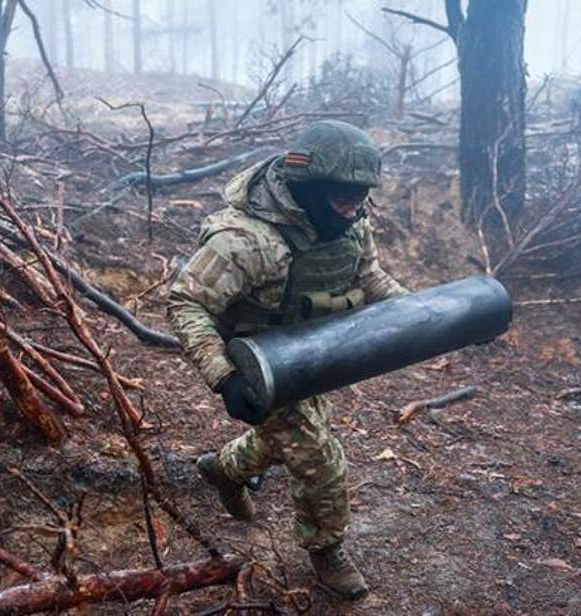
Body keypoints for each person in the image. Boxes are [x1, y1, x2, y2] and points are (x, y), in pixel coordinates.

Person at [167, 120, 407, 600]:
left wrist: (441, 316)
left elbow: (372, 280)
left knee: (287, 443)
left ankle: (224, 470)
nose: (354, 207)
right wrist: (225, 377)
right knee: (319, 458)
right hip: (258, 365)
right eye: (342, 196)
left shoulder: (350, 222)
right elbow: (187, 303)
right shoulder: (244, 240)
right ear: (308, 187)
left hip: (315, 357)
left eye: (360, 196)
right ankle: (326, 550)